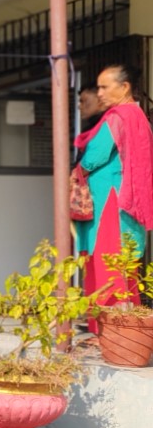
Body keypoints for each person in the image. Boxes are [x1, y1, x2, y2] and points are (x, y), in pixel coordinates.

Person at [75, 64, 153, 332]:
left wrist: (76, 172)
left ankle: (110, 331)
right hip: (129, 201)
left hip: (111, 201)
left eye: (104, 87)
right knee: (125, 268)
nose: (100, 93)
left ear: (125, 87)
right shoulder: (138, 115)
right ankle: (125, 333)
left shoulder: (118, 116)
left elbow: (95, 156)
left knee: (107, 264)